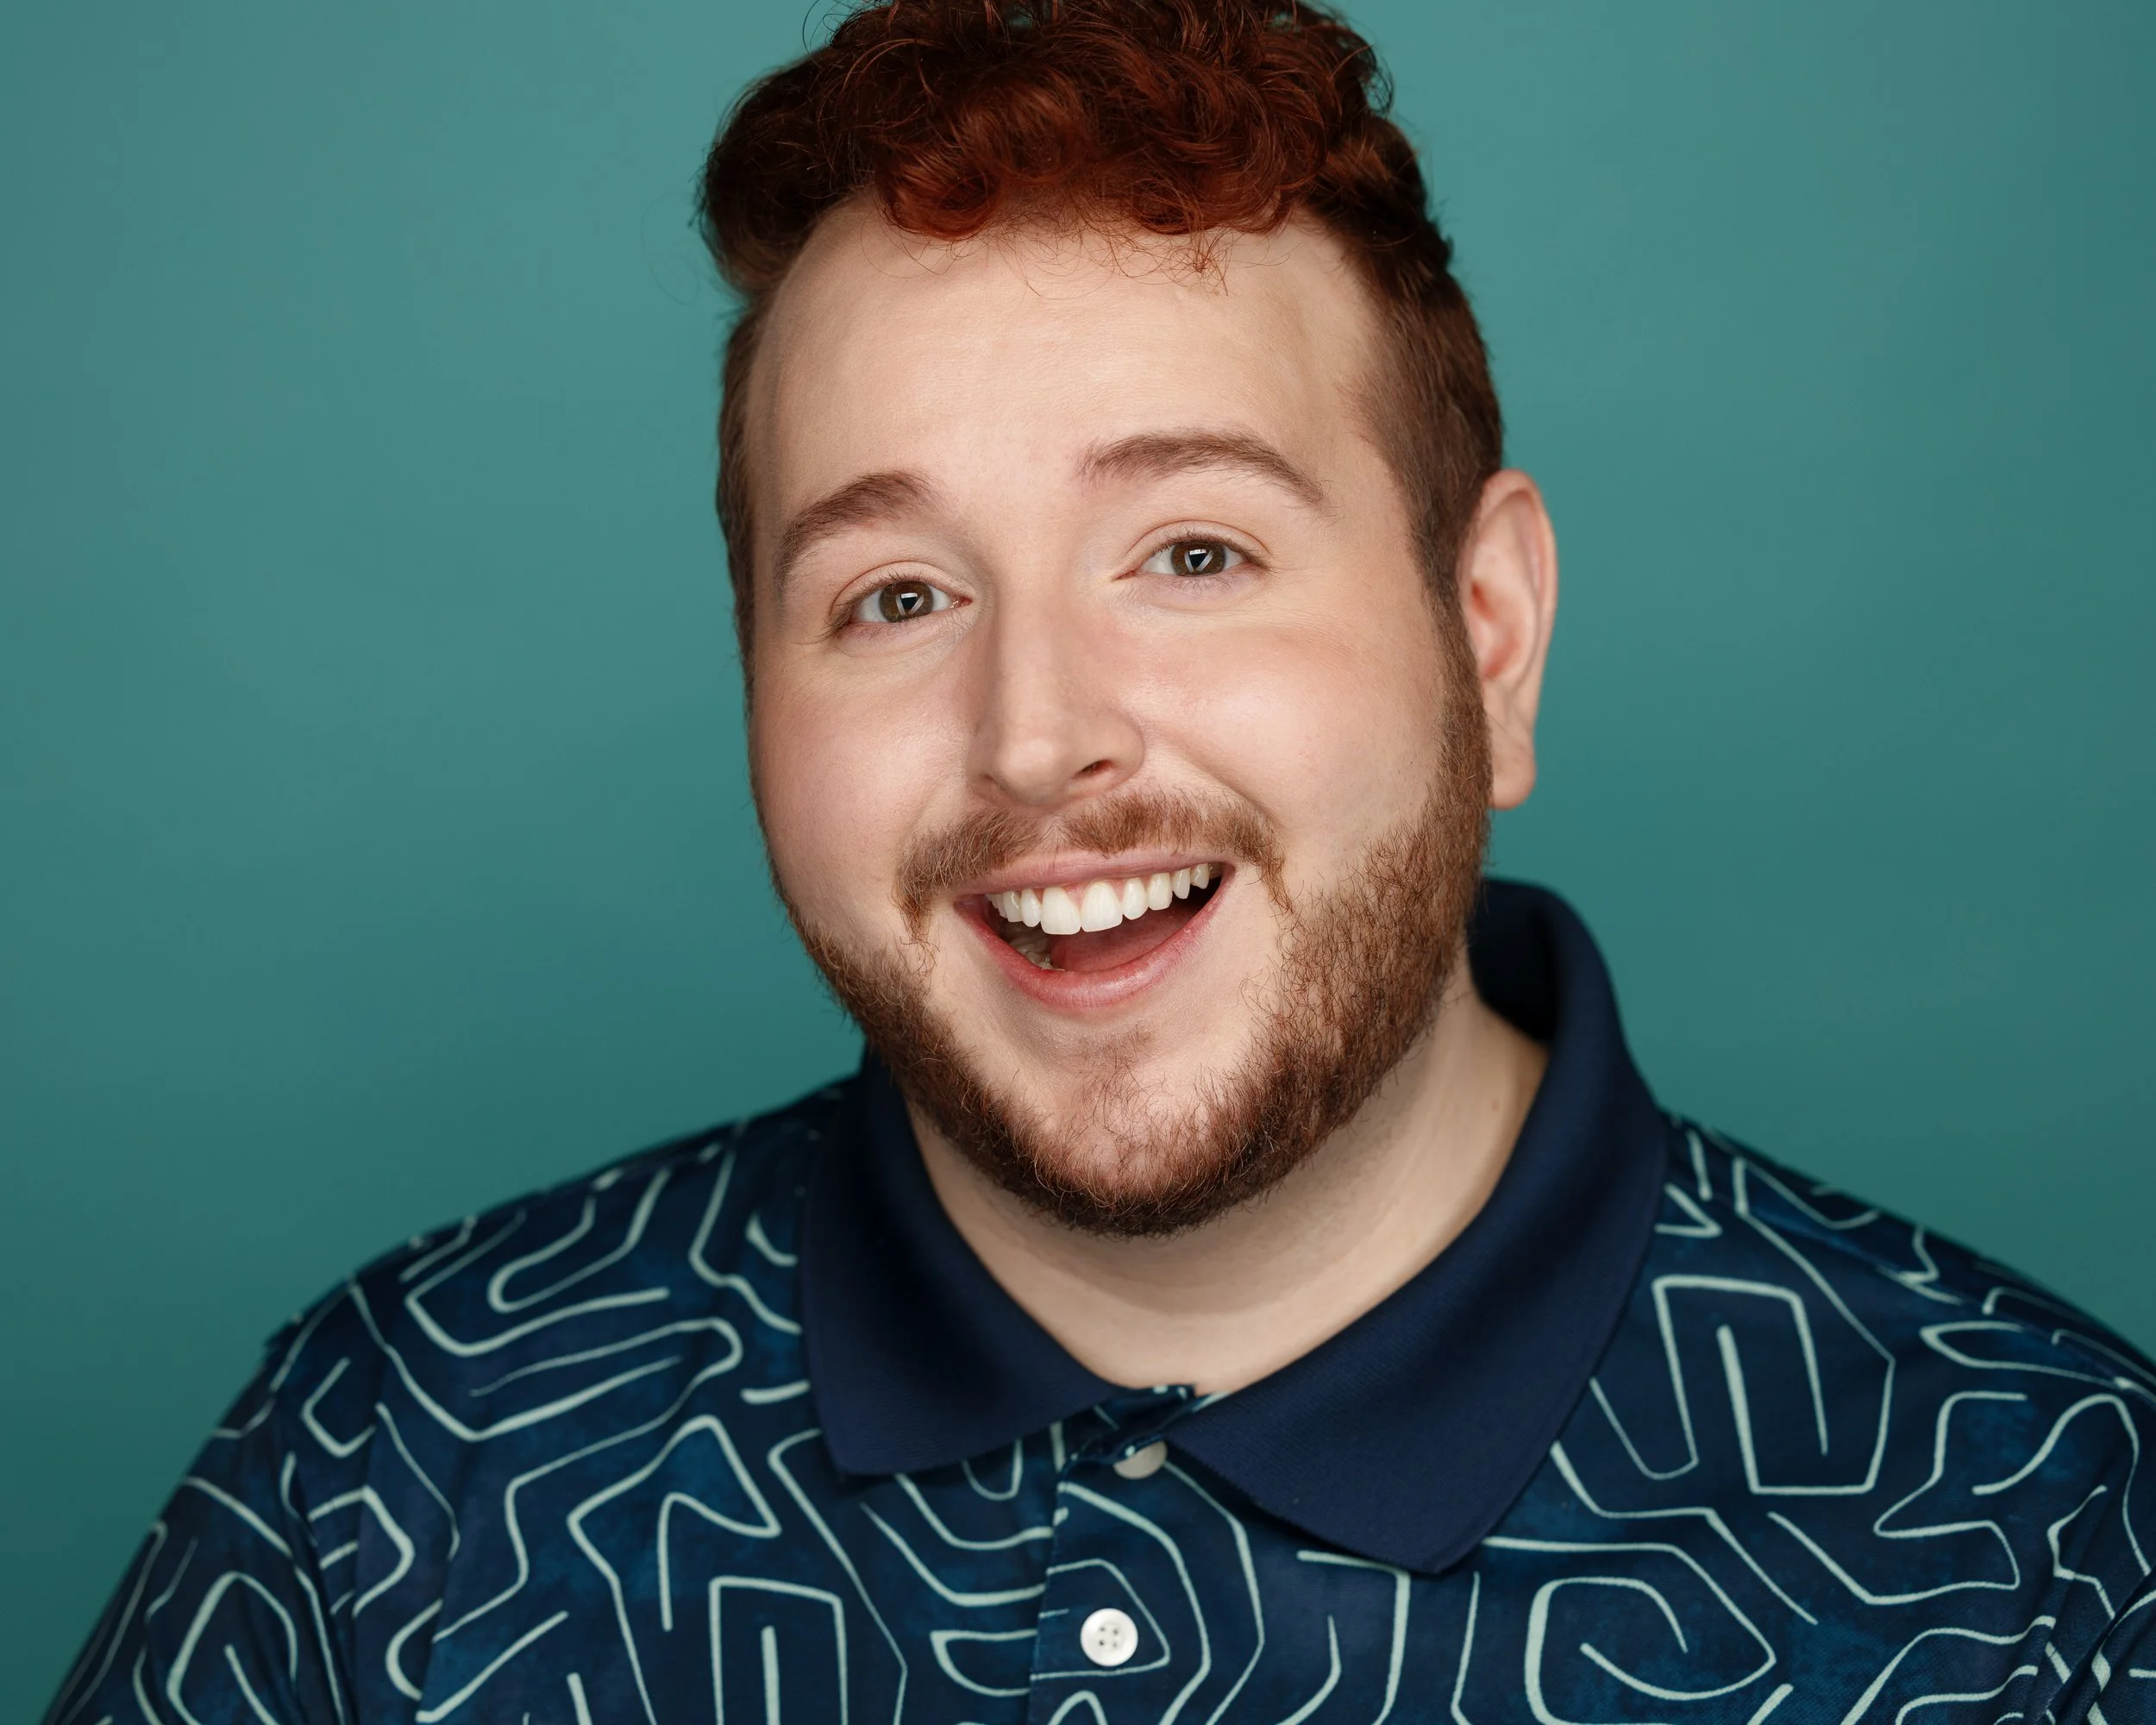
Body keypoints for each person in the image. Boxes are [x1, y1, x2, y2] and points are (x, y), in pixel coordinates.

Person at [47, 0, 2154, 1718]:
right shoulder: (396, 1472)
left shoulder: (2056, 1559)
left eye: (1192, 551)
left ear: (1487, 634)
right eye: (891, 596)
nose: (1033, 733)